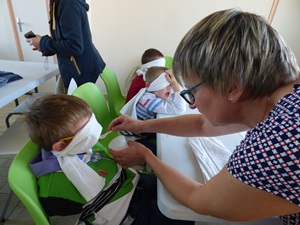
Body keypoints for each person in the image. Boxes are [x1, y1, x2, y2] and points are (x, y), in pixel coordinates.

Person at [108, 8, 300, 225]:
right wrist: (140, 126)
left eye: (193, 91)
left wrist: (147, 156)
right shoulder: (278, 99)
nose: (193, 103)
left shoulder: (274, 145)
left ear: (232, 87)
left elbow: (198, 199)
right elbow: (202, 125)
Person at [23, 94, 193, 225]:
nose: (96, 133)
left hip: (132, 184)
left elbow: (104, 161)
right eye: (87, 132)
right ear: (60, 147)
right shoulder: (55, 187)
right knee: (181, 215)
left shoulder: (80, 145)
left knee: (174, 187)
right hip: (130, 215)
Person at [26, 0, 105, 93]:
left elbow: (74, 46)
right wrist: (43, 45)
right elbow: (65, 38)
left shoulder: (67, 4)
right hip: (78, 66)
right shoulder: (58, 3)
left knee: (74, 106)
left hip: (80, 70)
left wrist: (43, 43)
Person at [121, 66, 186, 120]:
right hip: (137, 133)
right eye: (164, 85)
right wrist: (175, 84)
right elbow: (179, 109)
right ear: (149, 85)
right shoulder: (148, 101)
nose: (170, 88)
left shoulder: (155, 93)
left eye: (170, 85)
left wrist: (175, 83)